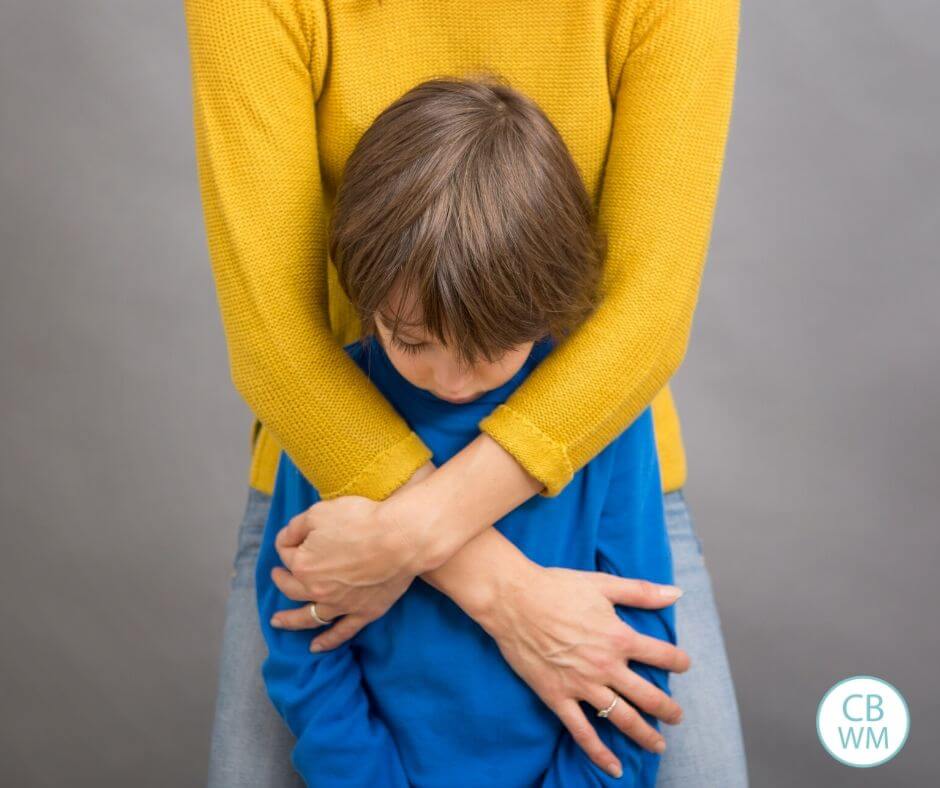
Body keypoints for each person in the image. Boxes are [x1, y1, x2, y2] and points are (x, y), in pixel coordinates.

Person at [182, 0, 748, 785]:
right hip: (335, 464)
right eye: (419, 343)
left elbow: (645, 319)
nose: (451, 375)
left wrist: (410, 536)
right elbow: (272, 340)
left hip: (589, 468)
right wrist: (504, 589)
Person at [258, 76, 678, 786]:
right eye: (410, 341)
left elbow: (636, 659)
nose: (452, 383)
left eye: (487, 351)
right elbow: (301, 647)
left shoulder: (606, 415)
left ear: (547, 300)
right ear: (363, 292)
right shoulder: (334, 407)